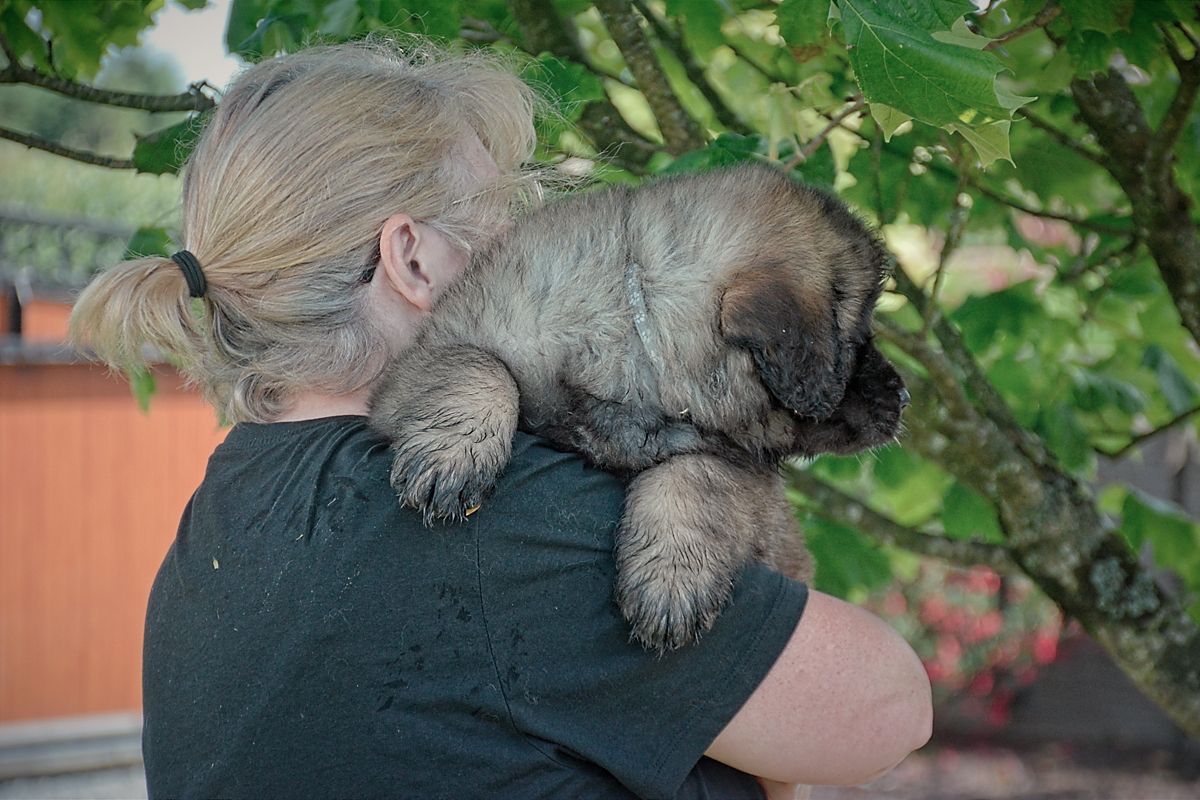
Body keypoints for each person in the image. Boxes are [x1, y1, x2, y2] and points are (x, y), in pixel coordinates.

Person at [69, 39, 931, 800]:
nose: (535, 240)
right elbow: (887, 710)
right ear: (410, 258)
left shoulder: (220, 514)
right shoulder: (493, 519)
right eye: (499, 222)